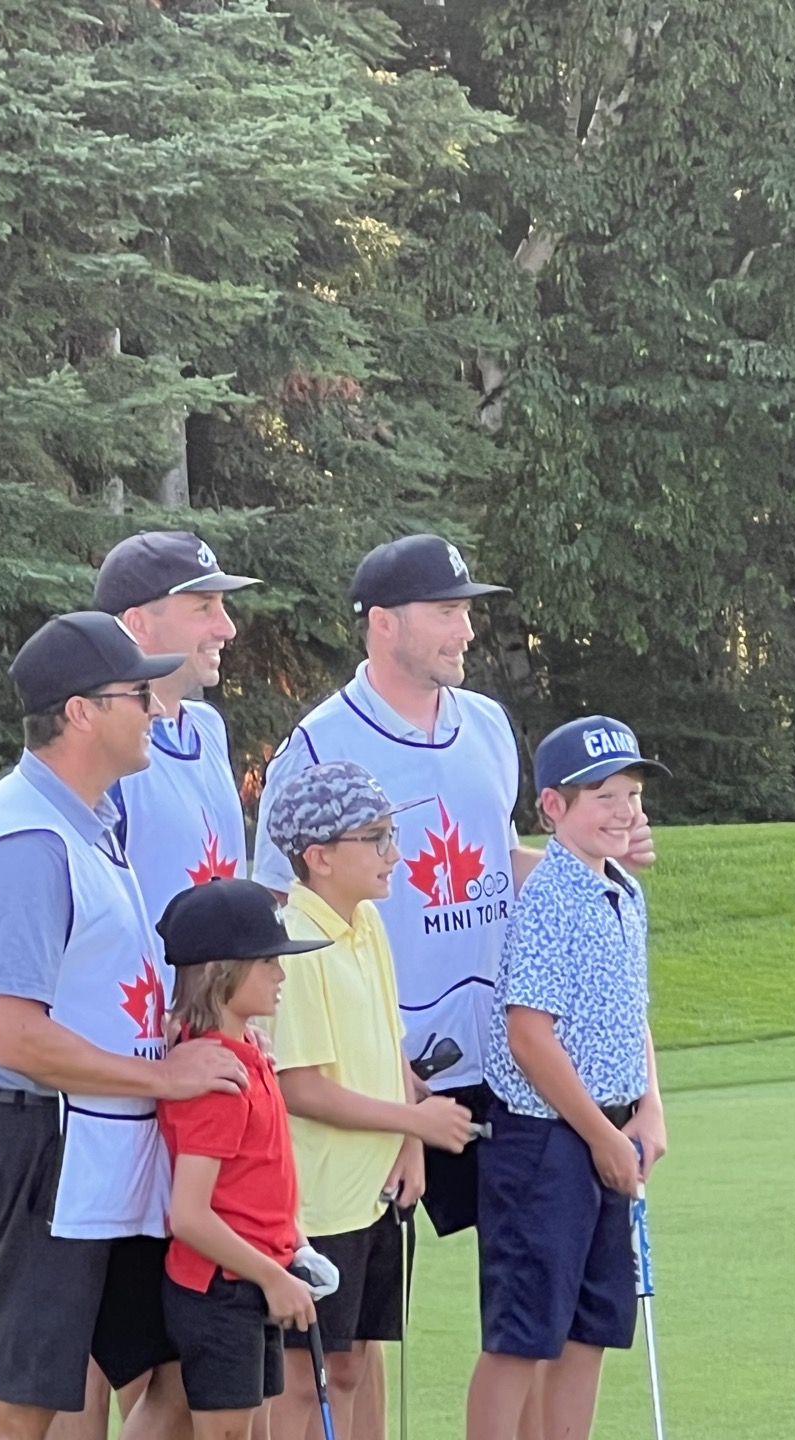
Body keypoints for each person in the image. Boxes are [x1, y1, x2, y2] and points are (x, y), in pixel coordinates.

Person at [0, 610, 250, 1440]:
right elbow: (15, 1036)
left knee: (178, 1371)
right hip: (44, 1141)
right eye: (137, 694)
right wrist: (164, 1076)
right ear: (80, 712)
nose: (157, 709)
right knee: (28, 1400)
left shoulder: (84, 822)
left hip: (101, 1138)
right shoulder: (27, 840)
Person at [254, 533, 658, 1239]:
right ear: (384, 623)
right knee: (373, 1294)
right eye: (445, 612)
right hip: (388, 1069)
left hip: (505, 1058)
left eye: (466, 612)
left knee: (524, 1280)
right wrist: (382, 1074)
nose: (465, 630)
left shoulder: (489, 723)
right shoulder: (319, 745)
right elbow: (284, 910)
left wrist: (597, 861)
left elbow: (498, 859)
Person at [465, 717, 670, 1440]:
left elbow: (631, 1012)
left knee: (590, 1330)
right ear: (553, 806)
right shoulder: (550, 897)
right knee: (523, 1335)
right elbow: (530, 1038)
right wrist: (602, 1139)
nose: (624, 811)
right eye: (603, 796)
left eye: (632, 795)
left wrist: (649, 1107)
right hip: (543, 1143)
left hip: (609, 1129)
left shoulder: (622, 889)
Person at [262, 761, 477, 1440]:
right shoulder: (295, 943)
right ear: (320, 856)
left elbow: (391, 1050)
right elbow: (299, 1086)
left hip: (374, 1190)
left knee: (352, 1364)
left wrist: (410, 1143)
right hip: (317, 1200)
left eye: (392, 835)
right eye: (376, 838)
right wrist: (415, 1120)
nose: (395, 854)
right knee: (306, 1378)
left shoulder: (367, 924)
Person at [153, 878, 338, 1440]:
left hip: (253, 1276)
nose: (281, 975)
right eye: (267, 962)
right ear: (220, 971)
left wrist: (296, 1247)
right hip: (222, 1286)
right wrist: (273, 1278)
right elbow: (190, 1215)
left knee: (252, 1429)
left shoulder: (249, 1055)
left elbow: (261, 1179)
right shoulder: (215, 1078)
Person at [96, 529, 260, 919]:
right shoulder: (102, 748)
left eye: (221, 606)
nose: (228, 628)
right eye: (204, 608)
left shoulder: (208, 727)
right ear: (137, 624)